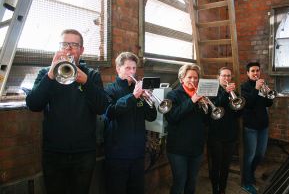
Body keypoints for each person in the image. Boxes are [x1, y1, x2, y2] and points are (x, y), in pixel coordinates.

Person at [26, 29, 108, 194]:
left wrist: (86, 82)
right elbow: (33, 104)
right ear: (58, 48)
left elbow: (102, 107)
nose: (69, 49)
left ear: (81, 50)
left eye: (74, 45)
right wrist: (50, 74)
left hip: (84, 153)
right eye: (64, 44)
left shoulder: (92, 75)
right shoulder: (45, 74)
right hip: (54, 152)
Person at [103, 51, 157, 194]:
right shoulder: (109, 89)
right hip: (117, 155)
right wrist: (133, 96)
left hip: (138, 154)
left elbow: (151, 117)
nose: (132, 71)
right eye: (128, 68)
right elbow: (110, 112)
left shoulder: (138, 90)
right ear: (118, 69)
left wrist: (149, 100)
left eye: (134, 68)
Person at [165, 63, 208, 194]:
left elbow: (205, 121)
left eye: (195, 78)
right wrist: (192, 100)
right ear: (182, 78)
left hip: (196, 148)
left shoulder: (201, 96)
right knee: (179, 182)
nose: (193, 80)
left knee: (192, 182)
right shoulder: (173, 95)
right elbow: (172, 117)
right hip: (178, 149)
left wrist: (206, 107)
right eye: (189, 77)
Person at [207, 67, 243, 194]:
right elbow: (212, 108)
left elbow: (237, 115)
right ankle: (214, 189)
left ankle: (222, 189)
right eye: (224, 76)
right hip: (216, 135)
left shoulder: (234, 93)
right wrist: (225, 93)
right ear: (218, 77)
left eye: (228, 76)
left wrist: (239, 107)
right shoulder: (212, 91)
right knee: (216, 164)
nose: (227, 78)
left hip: (230, 135)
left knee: (226, 165)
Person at [241, 62, 273, 194]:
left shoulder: (262, 85)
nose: (256, 73)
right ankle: (246, 182)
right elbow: (248, 104)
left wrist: (266, 92)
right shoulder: (244, 87)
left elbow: (269, 103)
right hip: (251, 128)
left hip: (263, 127)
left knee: (260, 155)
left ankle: (250, 175)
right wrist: (256, 89)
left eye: (257, 71)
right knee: (250, 156)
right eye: (253, 71)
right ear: (248, 73)